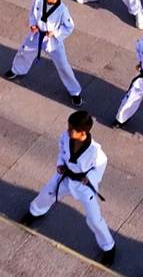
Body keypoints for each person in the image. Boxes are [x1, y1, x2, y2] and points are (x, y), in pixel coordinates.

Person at [20, 109, 115, 264]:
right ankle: (35, 213)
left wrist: (89, 178)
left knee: (94, 219)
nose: (67, 130)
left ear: (83, 132)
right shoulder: (65, 137)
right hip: (65, 176)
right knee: (47, 193)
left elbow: (100, 168)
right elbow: (61, 151)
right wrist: (60, 164)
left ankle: (109, 247)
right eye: (68, 127)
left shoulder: (96, 152)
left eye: (71, 129)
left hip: (84, 186)